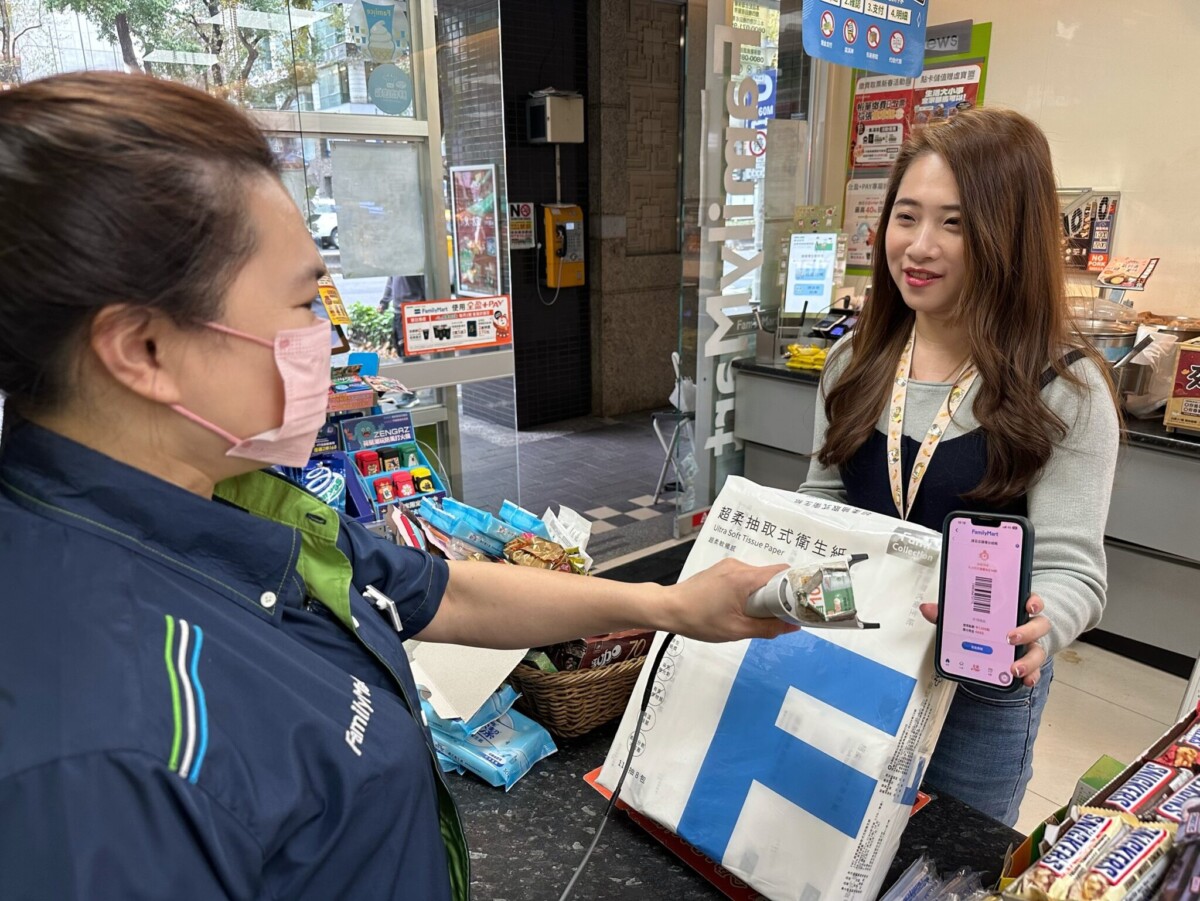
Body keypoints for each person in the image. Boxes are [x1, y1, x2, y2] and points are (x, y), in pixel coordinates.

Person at [0, 72, 795, 900]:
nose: (328, 340)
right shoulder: (96, 755)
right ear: (144, 349)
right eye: (306, 301)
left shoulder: (225, 496)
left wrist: (670, 606)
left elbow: (439, 593)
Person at [799, 108, 1120, 827]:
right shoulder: (856, 362)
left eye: (955, 223)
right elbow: (821, 498)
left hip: (979, 692)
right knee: (830, 833)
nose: (917, 246)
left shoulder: (1066, 388)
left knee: (942, 868)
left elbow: (1074, 570)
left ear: (1009, 235)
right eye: (905, 216)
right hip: (857, 653)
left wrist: (1039, 630)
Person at [378, 274, 426, 355]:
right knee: (401, 346)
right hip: (399, 312)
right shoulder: (395, 266)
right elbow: (390, 283)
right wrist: (383, 303)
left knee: (410, 348)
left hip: (414, 310)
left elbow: (425, 283)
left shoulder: (414, 264)